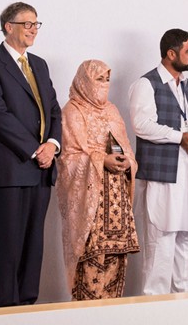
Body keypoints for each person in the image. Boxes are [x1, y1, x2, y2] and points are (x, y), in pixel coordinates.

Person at [0, 2, 62, 307]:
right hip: (9, 169)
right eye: (27, 24)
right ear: (8, 27)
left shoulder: (39, 64)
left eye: (37, 24)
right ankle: (8, 310)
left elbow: (53, 109)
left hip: (41, 169)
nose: (33, 29)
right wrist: (33, 150)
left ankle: (27, 307)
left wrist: (52, 144)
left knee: (33, 245)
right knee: (9, 245)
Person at [128, 29, 188, 295]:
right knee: (161, 243)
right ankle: (155, 310)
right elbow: (141, 125)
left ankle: (185, 307)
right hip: (164, 177)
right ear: (171, 54)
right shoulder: (146, 84)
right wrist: (179, 137)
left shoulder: (186, 84)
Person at [56, 59, 140, 300]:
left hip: (117, 204)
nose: (104, 84)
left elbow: (127, 149)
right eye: (98, 79)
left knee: (115, 262)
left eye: (107, 79)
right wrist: (102, 160)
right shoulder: (72, 111)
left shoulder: (112, 110)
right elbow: (69, 157)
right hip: (90, 203)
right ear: (84, 81)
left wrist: (127, 162)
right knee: (91, 260)